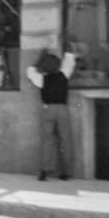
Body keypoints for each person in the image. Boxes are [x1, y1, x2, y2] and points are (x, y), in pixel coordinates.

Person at [26, 40, 77, 181]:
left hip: (47, 109)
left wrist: (41, 57)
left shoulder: (41, 79)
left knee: (48, 140)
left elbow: (30, 71)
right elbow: (70, 57)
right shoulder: (64, 73)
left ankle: (45, 170)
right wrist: (67, 40)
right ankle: (66, 171)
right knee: (65, 139)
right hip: (62, 109)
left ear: (44, 68)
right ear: (58, 65)